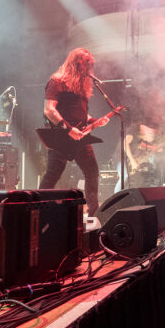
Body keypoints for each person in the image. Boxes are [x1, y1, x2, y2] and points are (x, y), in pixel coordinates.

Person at [39, 48, 109, 216]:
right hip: (61, 137)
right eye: (85, 65)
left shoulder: (81, 86)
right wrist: (69, 129)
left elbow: (79, 111)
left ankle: (94, 212)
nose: (88, 69)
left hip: (80, 137)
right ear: (76, 64)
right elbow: (49, 110)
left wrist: (94, 121)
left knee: (92, 172)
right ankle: (37, 207)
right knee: (53, 174)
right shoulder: (56, 81)